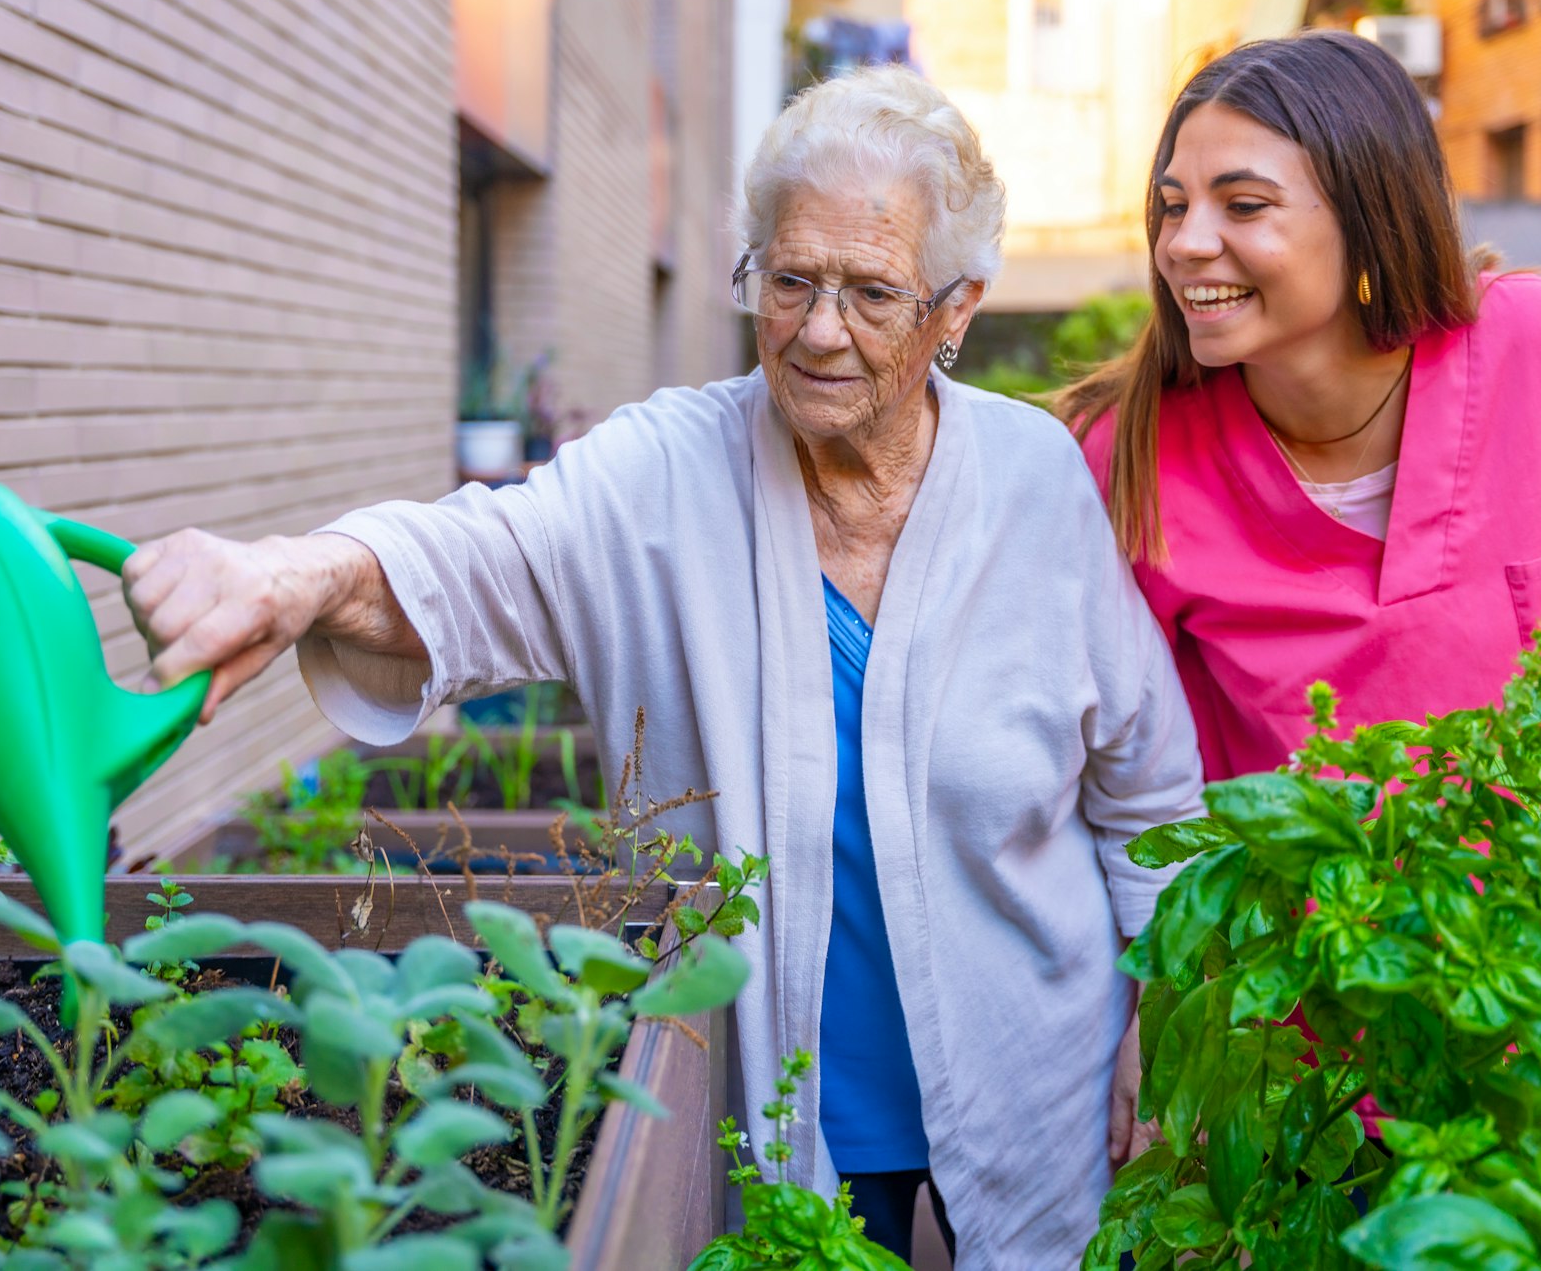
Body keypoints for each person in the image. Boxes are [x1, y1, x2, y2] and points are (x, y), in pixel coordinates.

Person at [122, 65, 1204, 1266]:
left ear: (956, 310)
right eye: (787, 280)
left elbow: (1146, 795)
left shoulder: (1035, 479)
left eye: (871, 293)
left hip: (1035, 1081)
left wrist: (1163, 1020)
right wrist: (296, 573)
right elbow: (474, 557)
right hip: (769, 1102)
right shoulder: (664, 473)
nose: (818, 330)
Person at [1059, 30, 1541, 943]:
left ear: (1370, 215)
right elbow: (1121, 781)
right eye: (1173, 207)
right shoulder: (1122, 457)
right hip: (1290, 1036)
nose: (1186, 243)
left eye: (1243, 204)